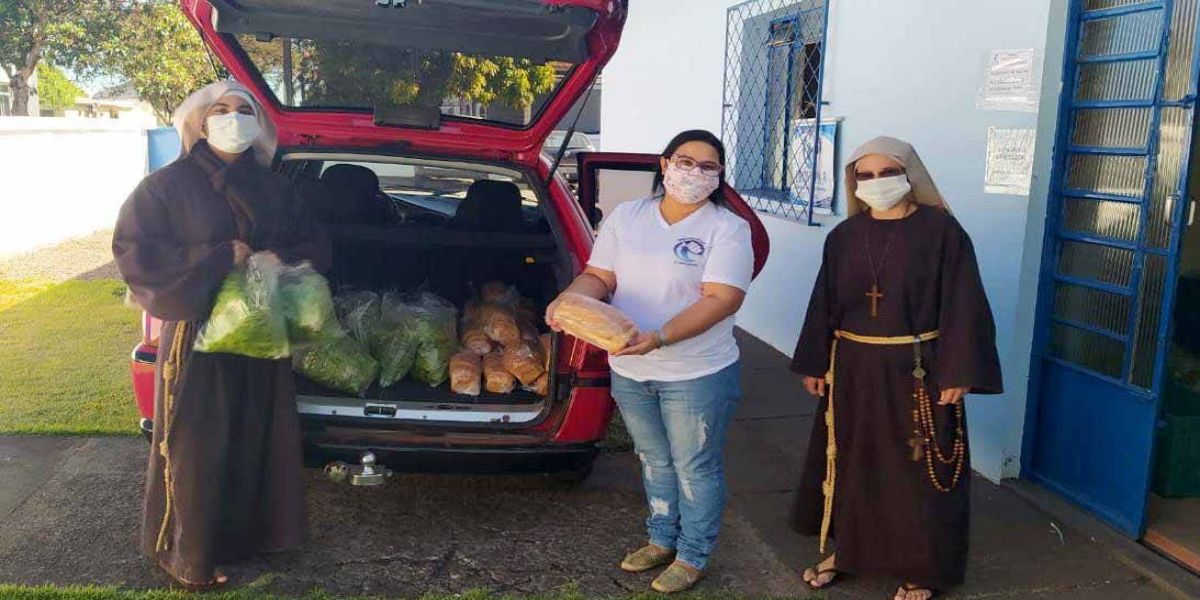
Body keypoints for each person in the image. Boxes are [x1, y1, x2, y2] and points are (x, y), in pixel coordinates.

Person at [112, 80, 331, 589]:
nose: (234, 118)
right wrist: (216, 259)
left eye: (244, 110)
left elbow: (315, 242)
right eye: (221, 109)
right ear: (197, 123)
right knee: (195, 442)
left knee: (259, 434)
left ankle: (248, 539)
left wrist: (284, 258)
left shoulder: (276, 186)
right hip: (196, 336)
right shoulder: (164, 187)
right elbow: (135, 253)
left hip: (261, 332)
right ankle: (188, 554)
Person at [789, 136, 1002, 600]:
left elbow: (964, 304)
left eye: (888, 172)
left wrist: (958, 371)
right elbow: (823, 302)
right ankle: (847, 550)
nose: (876, 182)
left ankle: (920, 567)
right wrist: (814, 360)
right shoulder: (843, 236)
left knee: (916, 467)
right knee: (850, 460)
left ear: (910, 175)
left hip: (917, 369)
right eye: (865, 175)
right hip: (852, 369)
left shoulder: (942, 232)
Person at [545, 130, 754, 593]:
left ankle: (693, 554)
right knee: (654, 459)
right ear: (664, 165)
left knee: (694, 465)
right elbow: (600, 275)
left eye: (709, 166)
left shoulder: (726, 228)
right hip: (631, 368)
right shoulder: (629, 216)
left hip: (695, 372)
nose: (695, 173)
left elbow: (722, 299)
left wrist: (660, 337)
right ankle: (661, 539)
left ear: (719, 177)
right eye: (686, 161)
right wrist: (568, 302)